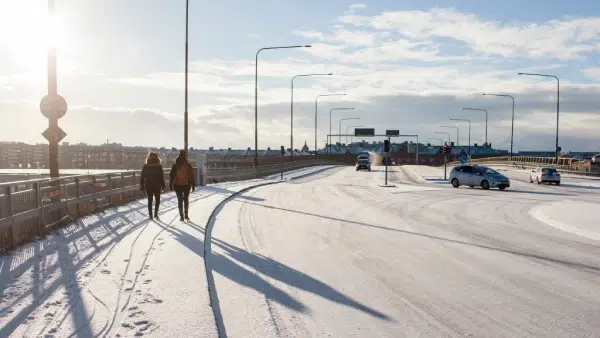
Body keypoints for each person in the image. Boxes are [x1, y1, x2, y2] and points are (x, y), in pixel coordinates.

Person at [170, 150, 196, 221]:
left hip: (177, 185)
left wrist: (170, 185)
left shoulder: (175, 165)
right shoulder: (188, 165)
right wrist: (193, 185)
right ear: (185, 156)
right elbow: (192, 176)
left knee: (180, 200)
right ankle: (186, 215)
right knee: (186, 199)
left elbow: (172, 176)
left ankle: (181, 216)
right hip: (186, 185)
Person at [140, 152, 166, 220]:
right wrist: (163, 186)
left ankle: (150, 215)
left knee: (150, 200)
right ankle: (156, 214)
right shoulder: (159, 166)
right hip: (157, 185)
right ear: (157, 158)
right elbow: (161, 177)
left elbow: (142, 177)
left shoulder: (145, 166)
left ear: (148, 158)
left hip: (148, 185)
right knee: (157, 200)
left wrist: (142, 187)